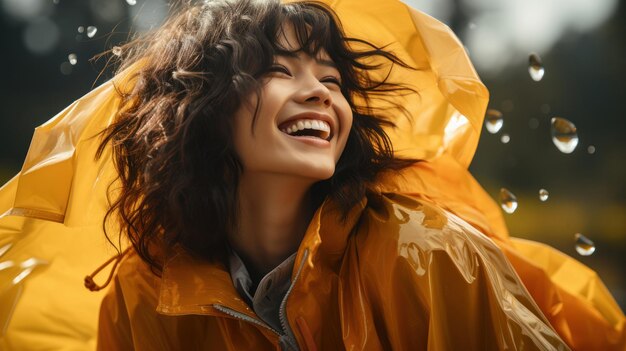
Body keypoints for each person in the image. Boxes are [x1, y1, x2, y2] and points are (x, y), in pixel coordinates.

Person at [0, 0, 624, 350]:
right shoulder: (142, 299)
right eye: (281, 70)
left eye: (331, 80)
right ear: (201, 108)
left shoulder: (428, 256)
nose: (319, 94)